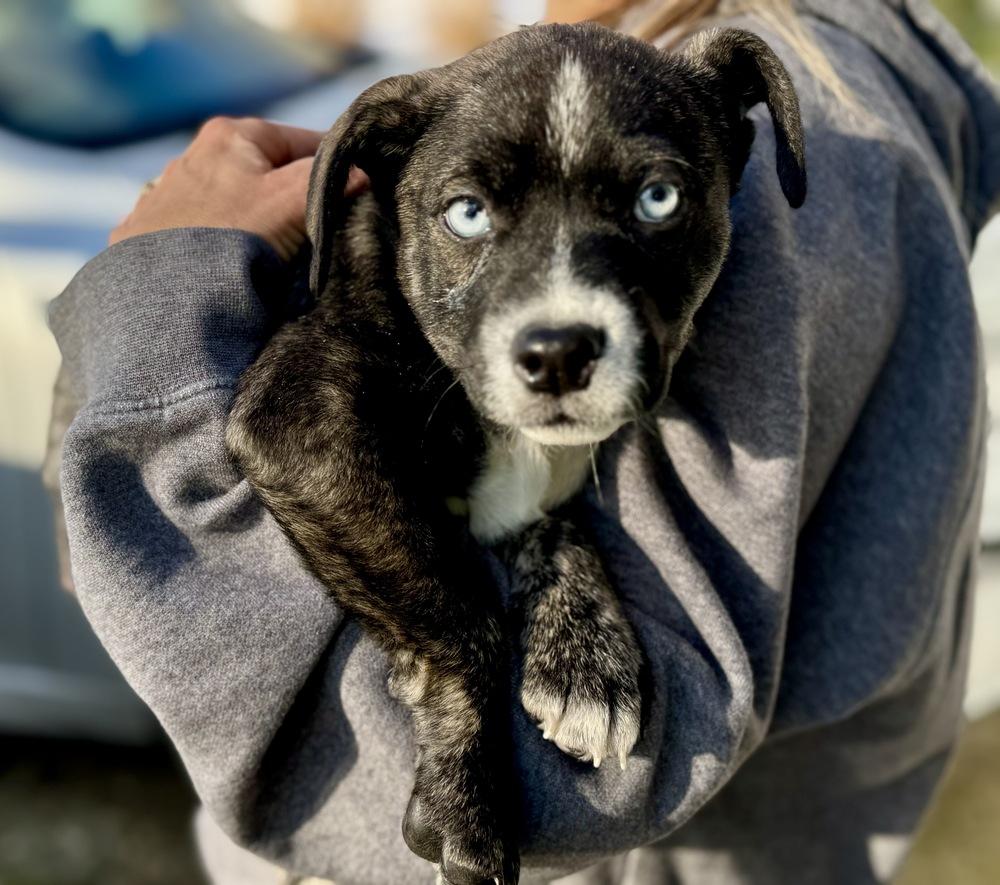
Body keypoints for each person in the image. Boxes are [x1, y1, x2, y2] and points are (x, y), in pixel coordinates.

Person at [48, 1, 1000, 883]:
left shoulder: (805, 153)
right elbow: (504, 489)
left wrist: (154, 311)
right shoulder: (822, 77)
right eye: (470, 213)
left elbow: (537, 782)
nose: (556, 319)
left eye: (655, 199)